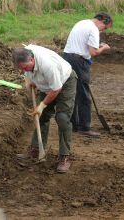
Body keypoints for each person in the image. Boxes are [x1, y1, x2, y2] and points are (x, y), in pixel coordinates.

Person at [12, 44, 77, 173]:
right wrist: (28, 80)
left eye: (25, 68)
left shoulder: (47, 65)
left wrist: (42, 105)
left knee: (62, 118)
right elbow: (27, 71)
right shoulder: (26, 54)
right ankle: (36, 149)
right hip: (47, 85)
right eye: (21, 69)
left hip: (64, 82)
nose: (24, 70)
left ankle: (65, 156)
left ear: (32, 60)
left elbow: (56, 88)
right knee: (41, 117)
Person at [63, 12, 113, 137]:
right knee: (84, 95)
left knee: (72, 92)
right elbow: (93, 52)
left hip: (67, 58)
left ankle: (74, 123)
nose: (103, 31)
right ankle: (84, 127)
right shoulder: (94, 29)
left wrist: (97, 46)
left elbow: (82, 44)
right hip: (79, 61)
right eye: (105, 28)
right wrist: (103, 48)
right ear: (102, 21)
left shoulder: (82, 23)